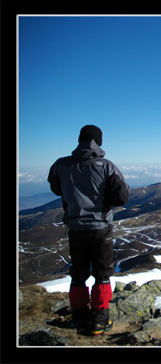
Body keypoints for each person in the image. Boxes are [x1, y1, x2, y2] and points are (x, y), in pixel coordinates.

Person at [48, 125, 130, 335]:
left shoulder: (61, 164)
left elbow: (56, 187)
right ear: (99, 142)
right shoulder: (106, 166)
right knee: (102, 274)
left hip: (75, 227)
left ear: (80, 140)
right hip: (100, 227)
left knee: (78, 274)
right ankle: (99, 321)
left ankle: (79, 318)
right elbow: (122, 197)